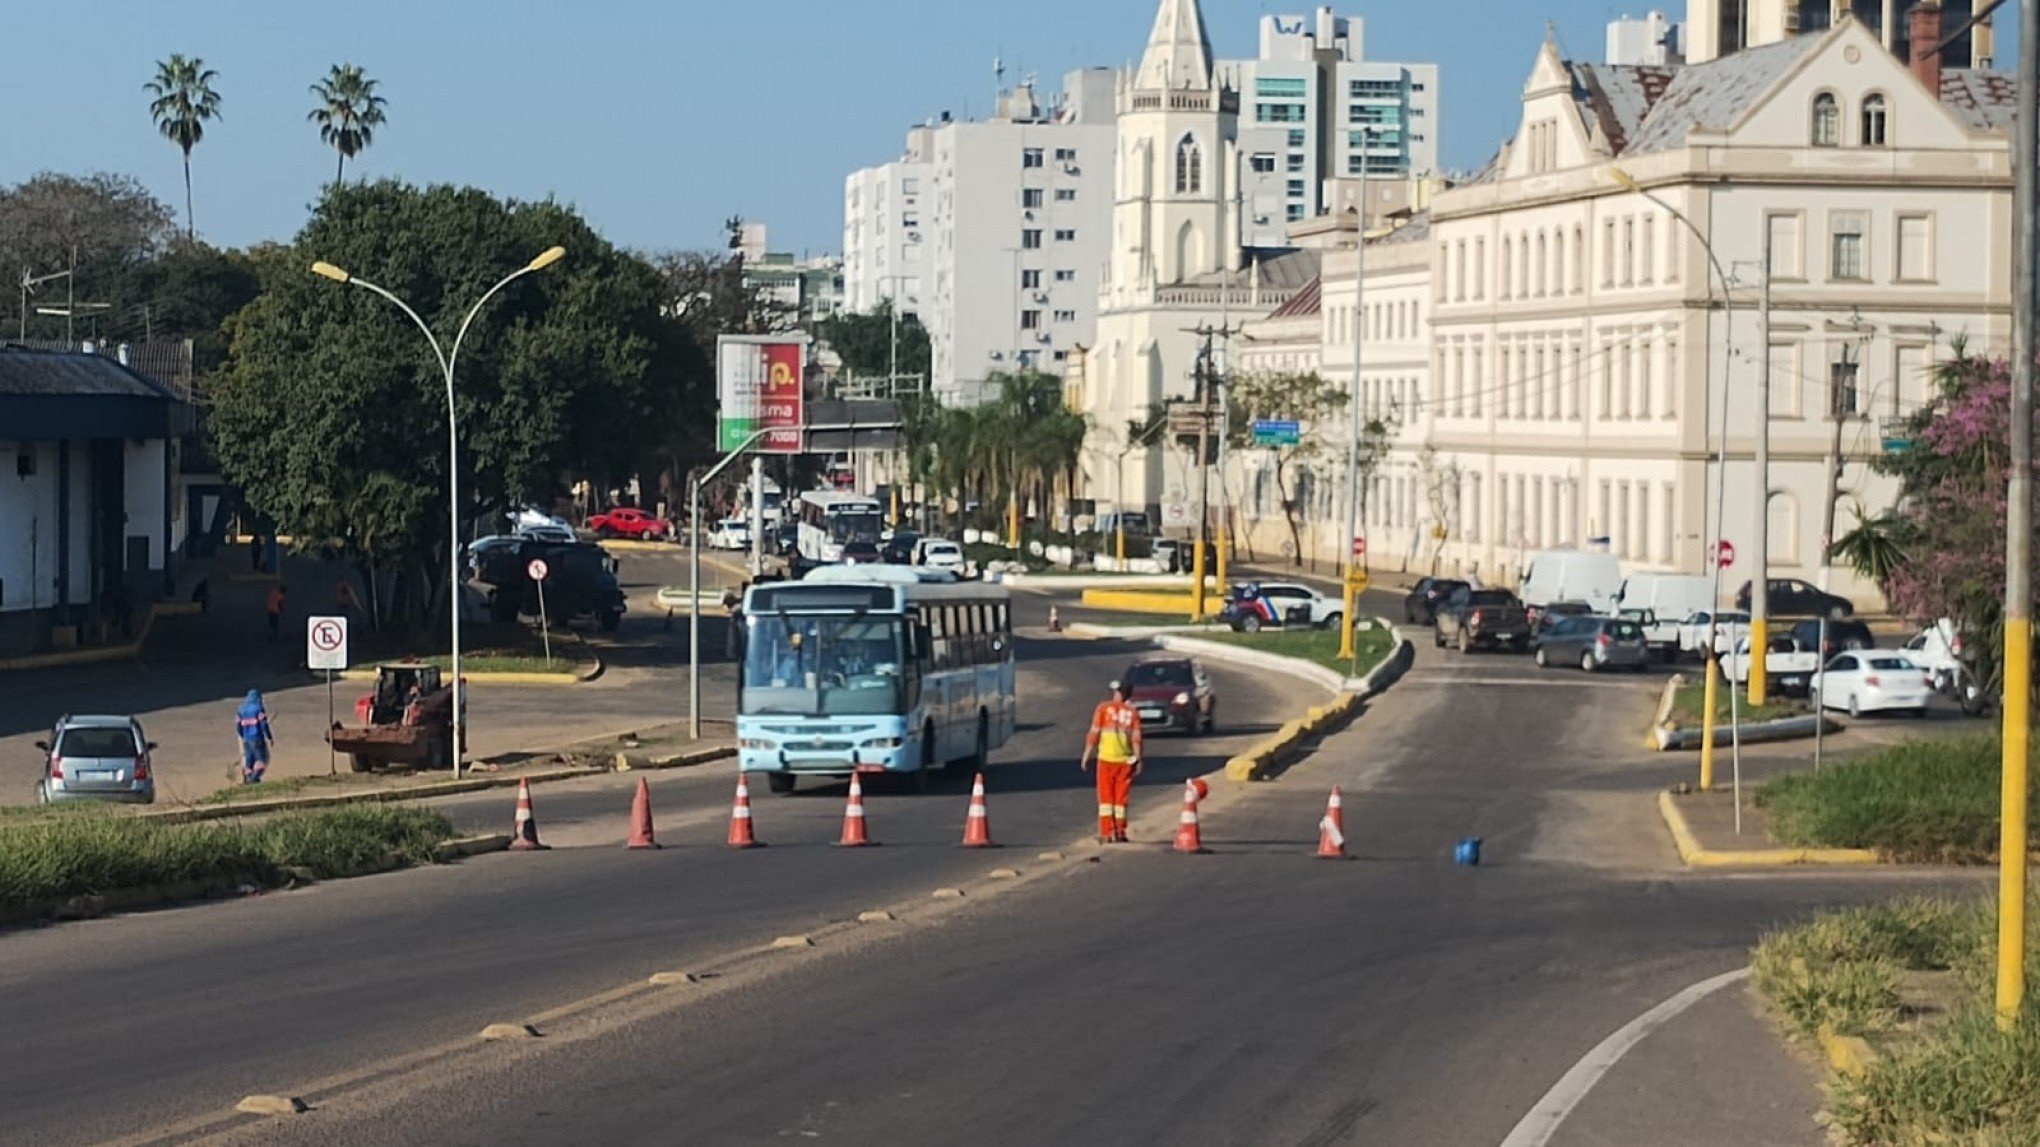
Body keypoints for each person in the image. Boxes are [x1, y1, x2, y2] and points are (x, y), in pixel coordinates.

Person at [1079, 679, 1144, 843]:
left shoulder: (1103, 708)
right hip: (1125, 762)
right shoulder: (1133, 713)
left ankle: (1107, 833)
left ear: (1119, 693)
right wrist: (1138, 760)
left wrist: (1086, 755)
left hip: (1106, 760)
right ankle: (1120, 832)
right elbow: (1136, 740)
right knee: (1121, 800)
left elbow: (1094, 734)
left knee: (1106, 799)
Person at [235, 690, 274, 784]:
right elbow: (264, 724)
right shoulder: (258, 709)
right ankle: (254, 778)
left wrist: (242, 735)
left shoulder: (241, 709)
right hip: (257, 738)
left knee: (249, 760)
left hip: (246, 739)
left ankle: (248, 778)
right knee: (262, 759)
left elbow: (237, 725)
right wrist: (269, 737)